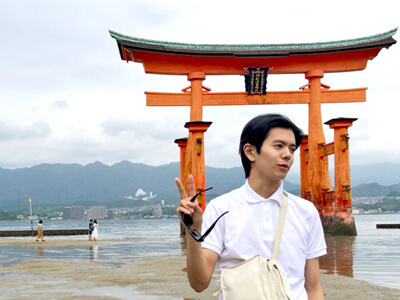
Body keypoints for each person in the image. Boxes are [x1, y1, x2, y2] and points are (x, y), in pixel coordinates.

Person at [176, 113, 327, 300]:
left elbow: (313, 288)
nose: (287, 154)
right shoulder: (221, 208)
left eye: (292, 148)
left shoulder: (306, 211)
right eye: (279, 146)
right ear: (250, 152)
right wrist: (194, 231)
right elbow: (199, 283)